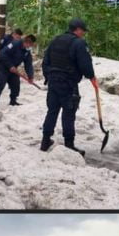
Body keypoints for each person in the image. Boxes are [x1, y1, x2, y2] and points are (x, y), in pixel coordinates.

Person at [39, 18, 97, 156]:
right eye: (83, 30)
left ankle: (45, 141)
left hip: (53, 82)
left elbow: (45, 61)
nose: (83, 33)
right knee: (69, 113)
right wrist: (92, 77)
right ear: (77, 29)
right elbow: (85, 64)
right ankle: (69, 145)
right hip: (68, 84)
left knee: (52, 111)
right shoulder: (79, 43)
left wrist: (49, 77)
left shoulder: (55, 40)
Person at [0, 34, 36, 110]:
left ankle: (13, 101)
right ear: (24, 42)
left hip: (13, 69)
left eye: (30, 44)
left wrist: (30, 76)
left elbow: (28, 65)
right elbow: (2, 54)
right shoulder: (15, 44)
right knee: (0, 83)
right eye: (27, 43)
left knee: (15, 84)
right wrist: (10, 66)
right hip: (3, 66)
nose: (28, 46)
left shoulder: (27, 52)